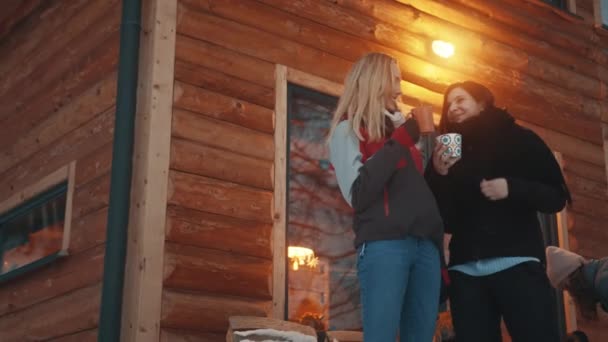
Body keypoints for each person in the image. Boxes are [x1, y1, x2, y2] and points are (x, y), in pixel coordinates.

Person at [426, 81, 571, 342]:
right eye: (448, 104)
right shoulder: (445, 152)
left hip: (517, 263)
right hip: (465, 273)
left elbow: (556, 197)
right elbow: (441, 219)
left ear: (482, 102)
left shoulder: (519, 139)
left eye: (460, 100)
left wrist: (511, 188)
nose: (452, 107)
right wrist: (439, 175)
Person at [327, 52, 444, 341]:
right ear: (375, 80)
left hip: (425, 246)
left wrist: (437, 169)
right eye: (394, 76)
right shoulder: (348, 130)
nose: (400, 83)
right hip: (385, 244)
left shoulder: (404, 139)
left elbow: (409, 193)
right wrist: (402, 139)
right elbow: (358, 193)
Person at [546, 246, 608, 321]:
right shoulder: (603, 266)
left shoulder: (603, 284)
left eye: (566, 287)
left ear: (569, 280)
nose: (571, 294)